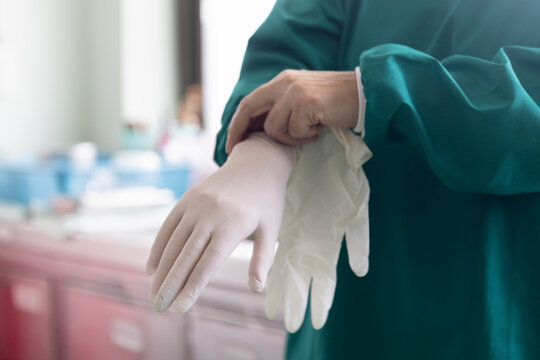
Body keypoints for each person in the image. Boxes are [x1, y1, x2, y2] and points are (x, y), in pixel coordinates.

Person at [147, 0, 540, 358]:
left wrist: (368, 91)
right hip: (348, 318)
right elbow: (284, 57)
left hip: (496, 315)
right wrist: (262, 146)